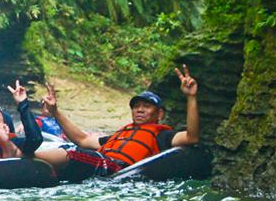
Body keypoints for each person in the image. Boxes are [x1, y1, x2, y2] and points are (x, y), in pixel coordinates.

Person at [33, 65, 200, 181]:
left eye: (146, 107)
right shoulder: (120, 134)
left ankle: (27, 158)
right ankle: (28, 160)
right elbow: (82, 139)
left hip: (118, 169)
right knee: (76, 150)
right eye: (136, 107)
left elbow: (191, 137)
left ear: (160, 113)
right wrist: (55, 112)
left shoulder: (162, 135)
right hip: (101, 164)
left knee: (72, 152)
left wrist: (191, 97)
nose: (140, 110)